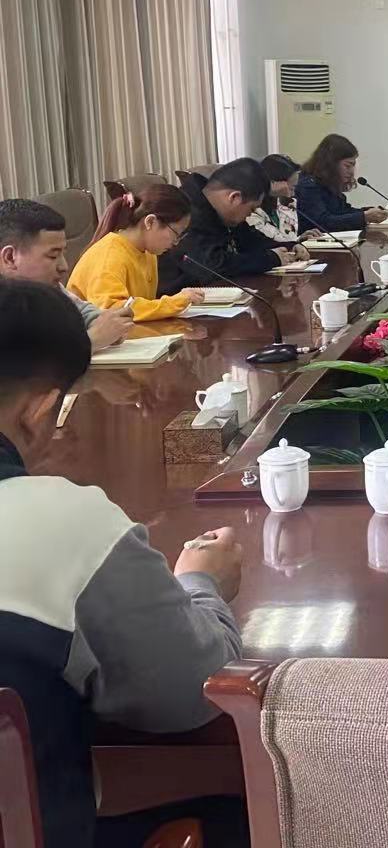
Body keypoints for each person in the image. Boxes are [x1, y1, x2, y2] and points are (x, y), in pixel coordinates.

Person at [0, 280, 243, 848]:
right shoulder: (59, 522)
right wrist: (202, 582)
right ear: (38, 412)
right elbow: (190, 693)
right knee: (239, 811)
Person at [0, 199, 132, 350]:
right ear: (10, 257)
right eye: (52, 256)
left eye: (63, 254)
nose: (64, 267)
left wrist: (108, 325)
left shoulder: (50, 289)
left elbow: (82, 312)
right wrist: (92, 340)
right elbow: (23, 357)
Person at [159, 158, 300, 294]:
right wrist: (270, 259)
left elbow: (251, 240)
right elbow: (211, 266)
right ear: (234, 197)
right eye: (251, 209)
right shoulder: (186, 211)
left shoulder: (221, 211)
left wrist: (290, 247)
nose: (250, 215)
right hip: (176, 299)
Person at [67, 185, 208, 321]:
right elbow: (113, 310)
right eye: (176, 233)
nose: (176, 243)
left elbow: (141, 307)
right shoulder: (109, 256)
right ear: (150, 222)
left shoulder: (148, 253)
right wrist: (174, 303)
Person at [295, 133, 388, 232]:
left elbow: (342, 212)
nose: (352, 171)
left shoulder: (328, 183)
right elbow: (323, 222)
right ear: (331, 164)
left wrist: (367, 212)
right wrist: (364, 216)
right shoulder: (308, 186)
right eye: (347, 166)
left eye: (353, 166)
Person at [246, 154, 304, 244]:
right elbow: (265, 242)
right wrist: (293, 244)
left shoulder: (282, 204)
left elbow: (285, 239)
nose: (292, 194)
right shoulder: (249, 210)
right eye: (291, 188)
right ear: (272, 181)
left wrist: (299, 239)